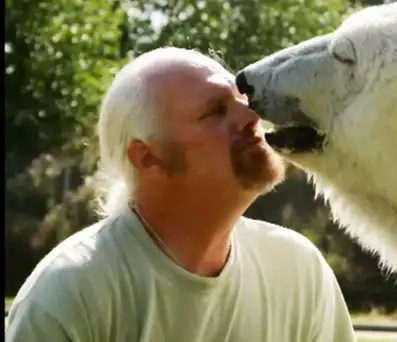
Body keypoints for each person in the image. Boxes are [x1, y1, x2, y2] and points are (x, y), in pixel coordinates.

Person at [6, 47, 357, 342]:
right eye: (216, 111)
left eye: (242, 99)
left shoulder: (296, 271)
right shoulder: (71, 294)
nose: (252, 114)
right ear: (149, 158)